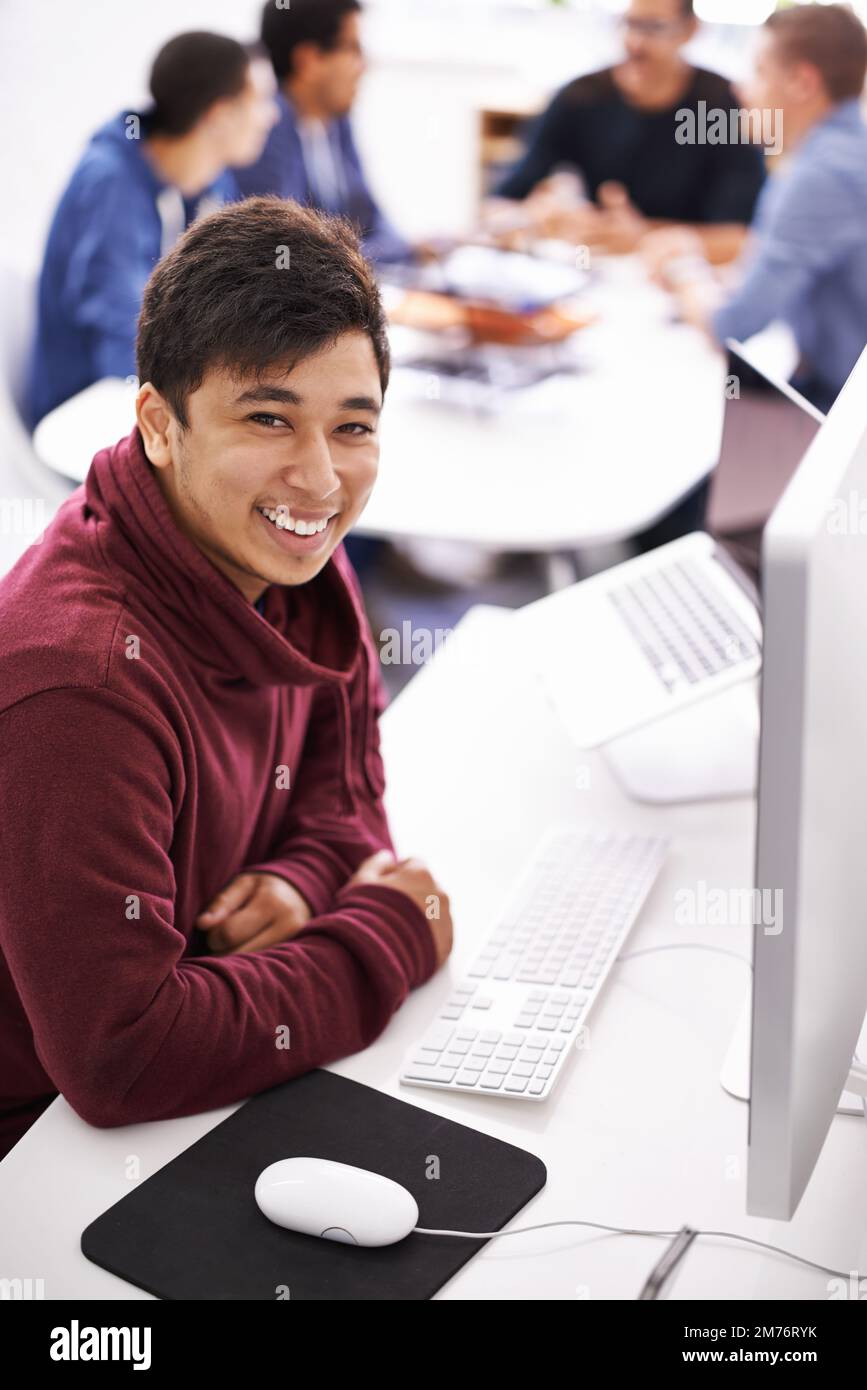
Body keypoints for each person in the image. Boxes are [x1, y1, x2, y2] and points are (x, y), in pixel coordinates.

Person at [0, 197, 452, 1160]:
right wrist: (386, 935)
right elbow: (122, 1054)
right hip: (46, 1160)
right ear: (160, 426)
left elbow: (351, 814)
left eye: (353, 427)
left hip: (198, 1088)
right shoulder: (77, 682)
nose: (321, 480)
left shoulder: (291, 562)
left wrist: (301, 879)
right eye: (268, 418)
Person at [28, 32, 277, 425]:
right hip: (88, 418)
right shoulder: (111, 182)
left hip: (158, 403)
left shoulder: (212, 183)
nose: (272, 115)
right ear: (219, 115)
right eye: (261, 101)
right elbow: (121, 336)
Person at [644, 3, 867, 414]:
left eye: (759, 71)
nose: (741, 89)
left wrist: (683, 269)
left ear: (802, 82)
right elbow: (770, 280)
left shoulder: (821, 176)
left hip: (839, 416)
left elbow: (731, 327)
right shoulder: (847, 153)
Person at [487, 0, 766, 263]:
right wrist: (536, 219)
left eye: (654, 28)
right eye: (628, 24)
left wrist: (644, 236)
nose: (635, 43)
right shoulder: (579, 97)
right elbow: (498, 206)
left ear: (691, 30)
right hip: (594, 274)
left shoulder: (722, 109)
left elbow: (745, 240)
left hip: (685, 282)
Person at [235, 0, 412, 265]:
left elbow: (372, 219)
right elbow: (292, 253)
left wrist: (407, 248)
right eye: (353, 49)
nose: (365, 65)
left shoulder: (337, 122)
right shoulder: (266, 129)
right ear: (308, 60)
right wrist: (386, 252)